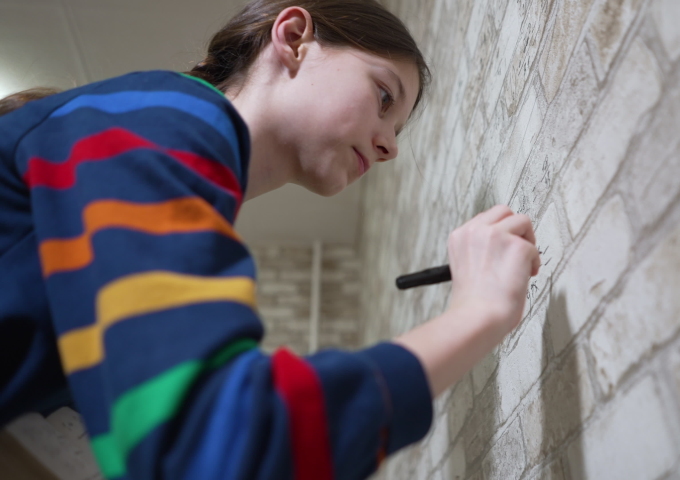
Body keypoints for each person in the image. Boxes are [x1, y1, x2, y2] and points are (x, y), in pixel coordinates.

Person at [0, 0, 541, 478]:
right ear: (293, 38)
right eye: (383, 97)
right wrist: (479, 310)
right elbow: (216, 446)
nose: (389, 149)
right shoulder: (166, 113)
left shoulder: (171, 152)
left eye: (396, 130)